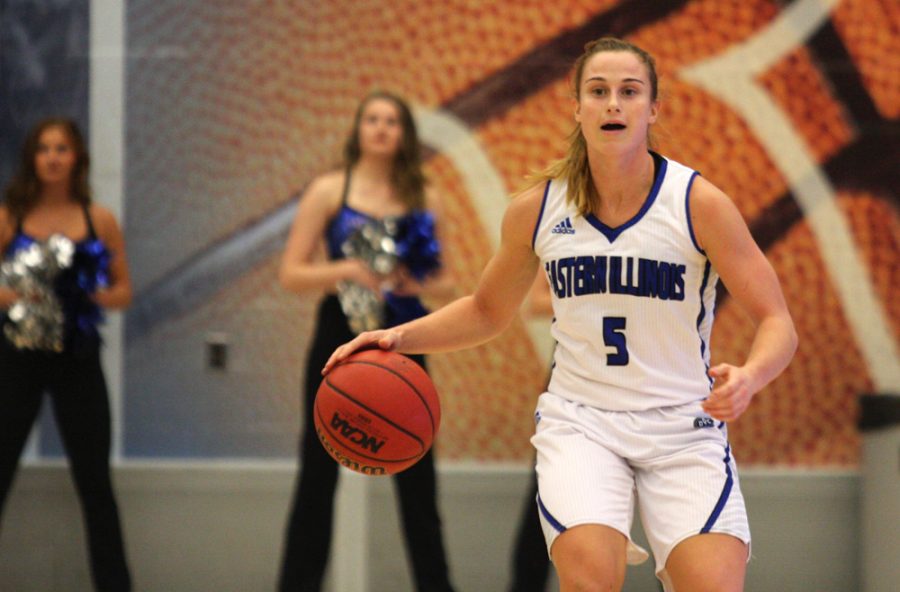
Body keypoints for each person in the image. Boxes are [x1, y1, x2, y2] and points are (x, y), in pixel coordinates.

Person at [325, 38, 798, 592]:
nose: (613, 104)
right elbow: (485, 311)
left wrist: (750, 377)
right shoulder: (540, 208)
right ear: (576, 108)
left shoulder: (698, 204)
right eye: (598, 92)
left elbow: (778, 321)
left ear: (654, 107)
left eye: (629, 92)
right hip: (583, 422)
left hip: (682, 425)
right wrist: (395, 338)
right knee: (590, 582)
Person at [278, 91, 457, 592]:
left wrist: (412, 282)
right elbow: (292, 273)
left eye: (392, 121)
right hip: (338, 336)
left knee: (419, 482)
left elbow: (445, 282)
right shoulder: (329, 190)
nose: (381, 128)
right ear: (358, 129)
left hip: (403, 337)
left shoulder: (425, 196)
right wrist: (346, 270)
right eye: (372, 119)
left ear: (405, 134)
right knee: (316, 476)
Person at [0, 117, 133, 591]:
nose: (53, 157)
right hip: (16, 356)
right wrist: (19, 294)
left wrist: (84, 296)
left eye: (62, 148)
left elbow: (123, 291)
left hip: (77, 357)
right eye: (44, 148)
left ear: (77, 157)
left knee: (95, 482)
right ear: (32, 158)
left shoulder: (99, 220)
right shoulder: (8, 217)